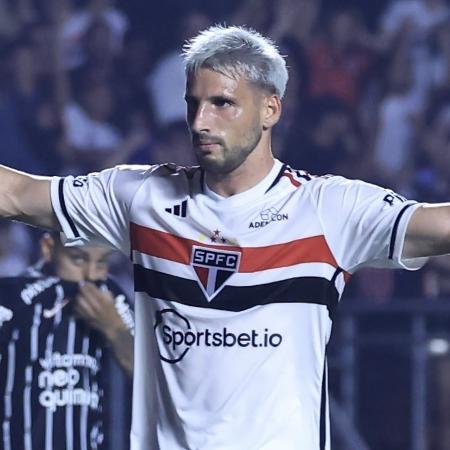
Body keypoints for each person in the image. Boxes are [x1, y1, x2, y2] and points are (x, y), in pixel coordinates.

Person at [0, 24, 449, 450]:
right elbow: (16, 195)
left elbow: (438, 225)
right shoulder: (142, 197)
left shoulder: (327, 209)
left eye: (222, 103)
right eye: (192, 103)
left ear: (270, 108)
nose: (199, 121)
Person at [0, 231, 134, 450]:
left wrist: (114, 329)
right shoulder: (11, 297)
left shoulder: (113, 299)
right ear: (48, 248)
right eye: (78, 259)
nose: (90, 274)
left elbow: (151, 382)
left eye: (101, 262)